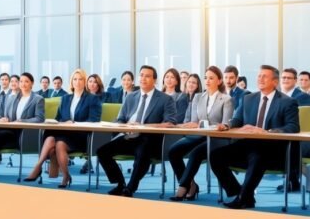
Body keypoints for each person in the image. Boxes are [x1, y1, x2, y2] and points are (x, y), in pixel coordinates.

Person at [211, 65, 299, 209]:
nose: (260, 78)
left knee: (258, 154)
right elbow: (237, 119)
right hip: (248, 146)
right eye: (259, 76)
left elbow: (293, 127)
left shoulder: (287, 102)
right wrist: (227, 125)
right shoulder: (248, 98)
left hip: (274, 150)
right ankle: (240, 192)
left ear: (275, 82)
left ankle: (243, 197)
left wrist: (267, 132)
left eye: (265, 76)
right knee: (215, 155)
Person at [96, 65, 176, 197]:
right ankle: (120, 183)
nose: (143, 78)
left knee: (143, 150)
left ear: (155, 80)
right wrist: (125, 125)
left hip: (150, 140)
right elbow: (120, 119)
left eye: (147, 76)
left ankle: (130, 188)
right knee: (102, 151)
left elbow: (170, 123)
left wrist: (144, 127)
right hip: (129, 137)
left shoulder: (165, 99)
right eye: (141, 75)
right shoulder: (131, 97)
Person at [168, 66, 233, 202]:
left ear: (219, 81)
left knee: (196, 153)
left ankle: (183, 187)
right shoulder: (198, 97)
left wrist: (216, 126)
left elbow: (226, 124)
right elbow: (194, 121)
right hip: (198, 135)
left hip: (217, 138)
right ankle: (191, 184)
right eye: (205, 78)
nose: (207, 81)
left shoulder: (226, 99)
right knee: (173, 151)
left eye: (211, 78)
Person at [25, 70, 101, 185]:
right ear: (71, 81)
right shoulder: (65, 98)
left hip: (81, 136)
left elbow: (94, 120)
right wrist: (55, 122)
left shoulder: (92, 99)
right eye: (75, 79)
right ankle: (55, 172)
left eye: (80, 79)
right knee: (51, 139)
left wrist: (74, 123)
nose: (77, 82)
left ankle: (47, 171)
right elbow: (58, 118)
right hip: (64, 133)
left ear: (85, 81)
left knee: (58, 143)